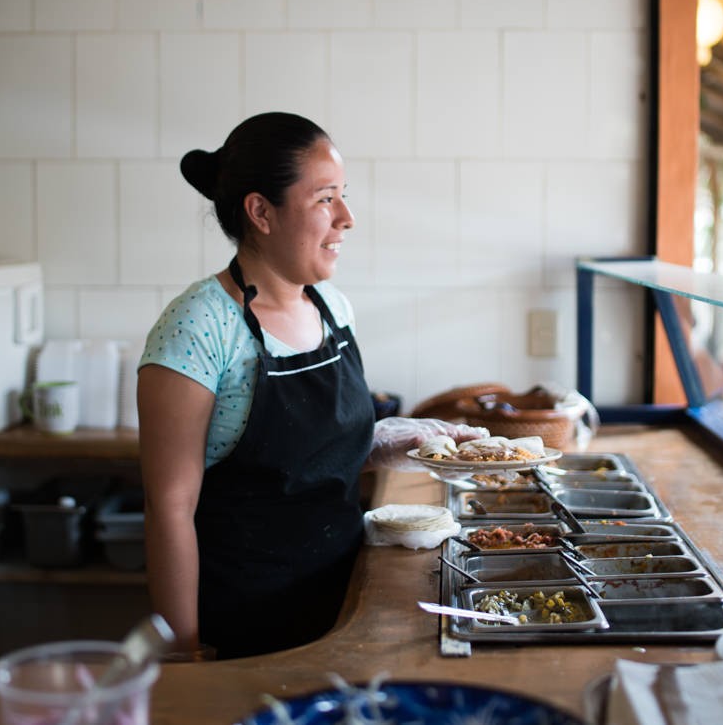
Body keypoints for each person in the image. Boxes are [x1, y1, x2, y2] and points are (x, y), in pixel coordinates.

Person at [136, 112, 484, 660]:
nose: (346, 217)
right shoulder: (198, 326)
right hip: (246, 629)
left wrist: (383, 442)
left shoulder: (331, 308)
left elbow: (304, 461)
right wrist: (183, 652)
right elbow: (169, 508)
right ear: (261, 211)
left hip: (344, 604)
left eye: (343, 196)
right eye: (325, 199)